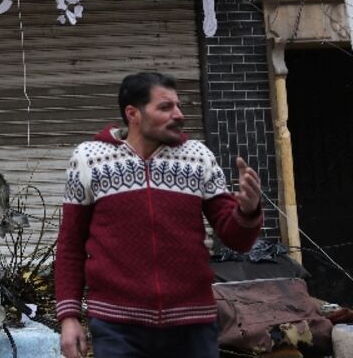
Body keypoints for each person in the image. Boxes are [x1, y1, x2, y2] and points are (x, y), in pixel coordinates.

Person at [54, 72, 263, 358]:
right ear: (133, 114)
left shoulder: (198, 156)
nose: (178, 114)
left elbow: (235, 238)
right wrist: (69, 316)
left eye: (178, 106)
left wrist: (248, 211)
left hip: (192, 327)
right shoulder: (89, 158)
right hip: (118, 328)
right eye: (165, 107)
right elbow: (70, 245)